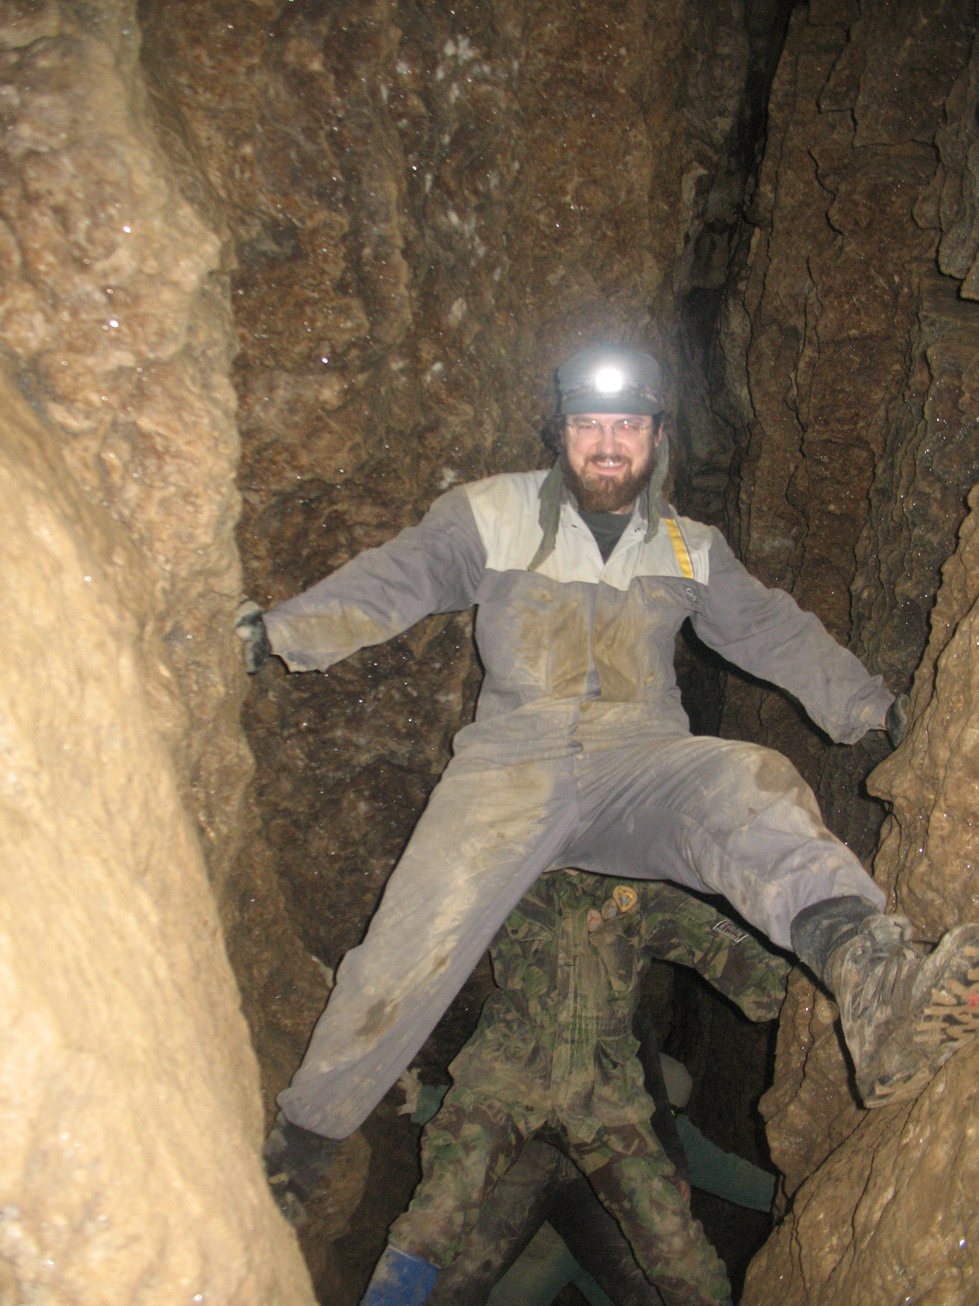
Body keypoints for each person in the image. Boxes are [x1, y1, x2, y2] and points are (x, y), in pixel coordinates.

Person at [243, 343, 979, 1228]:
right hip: (512, 764)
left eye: (625, 425)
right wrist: (281, 633)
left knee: (752, 780)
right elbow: (400, 577)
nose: (605, 443)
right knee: (413, 937)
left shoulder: (687, 546)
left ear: (656, 436)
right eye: (587, 424)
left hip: (640, 761)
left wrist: (875, 708)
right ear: (558, 433)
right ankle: (305, 1142)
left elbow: (772, 632)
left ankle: (873, 980)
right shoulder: (492, 512)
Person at [369, 870, 784, 1306]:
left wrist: (794, 986)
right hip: (511, 1073)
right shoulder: (513, 876)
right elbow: (426, 914)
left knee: (673, 1242)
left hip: (602, 1094)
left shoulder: (637, 894)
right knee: (438, 1213)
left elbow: (717, 938)